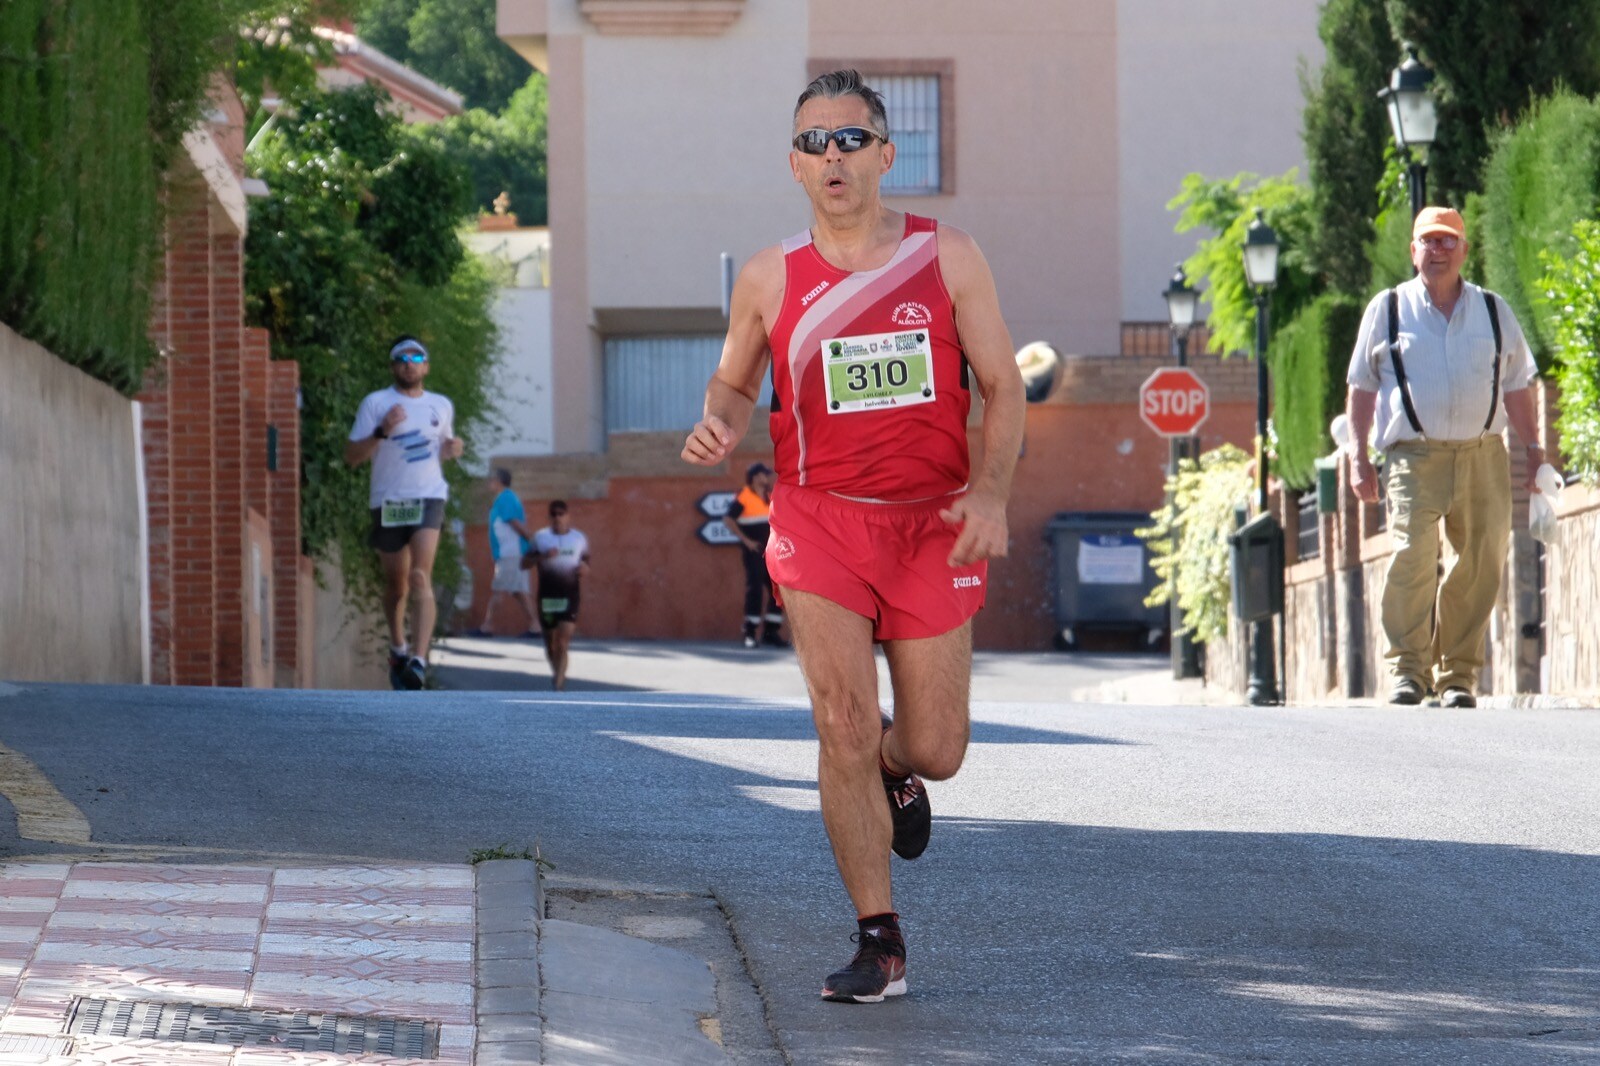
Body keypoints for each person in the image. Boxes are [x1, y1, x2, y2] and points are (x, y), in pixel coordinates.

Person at [681, 69, 1025, 1004]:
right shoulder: (768, 275)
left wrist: (990, 494)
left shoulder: (947, 257)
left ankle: (893, 763)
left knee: (939, 746)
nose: (832, 155)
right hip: (817, 518)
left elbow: (1004, 387)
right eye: (813, 141)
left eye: (850, 138)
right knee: (837, 722)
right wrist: (718, 418)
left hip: (932, 524)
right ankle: (881, 940)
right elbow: (732, 382)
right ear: (794, 166)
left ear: (885, 153)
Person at [1346, 206, 1552, 708]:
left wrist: (1534, 448)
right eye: (1428, 242)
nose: (1437, 250)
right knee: (1412, 557)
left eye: (1447, 241)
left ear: (1464, 250)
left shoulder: (1493, 310)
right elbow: (1361, 386)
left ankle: (1457, 676)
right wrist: (1357, 454)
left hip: (1483, 454)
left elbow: (1518, 384)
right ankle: (1407, 672)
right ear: (1412, 251)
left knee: (1480, 562)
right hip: (1412, 457)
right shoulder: (1389, 308)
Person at [344, 335, 465, 690]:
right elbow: (352, 456)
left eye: (416, 356)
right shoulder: (376, 403)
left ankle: (418, 659)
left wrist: (451, 449)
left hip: (428, 496)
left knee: (418, 577)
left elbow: (443, 447)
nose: (409, 362)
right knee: (396, 584)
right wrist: (382, 431)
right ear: (393, 365)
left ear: (426, 366)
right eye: (401, 357)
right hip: (389, 501)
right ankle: (398, 647)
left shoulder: (440, 405)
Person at [527, 500, 590, 691]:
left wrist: (585, 568)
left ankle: (559, 684)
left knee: (563, 640)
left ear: (568, 516)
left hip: (570, 596)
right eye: (553, 514)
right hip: (547, 597)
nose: (557, 517)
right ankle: (558, 673)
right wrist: (543, 556)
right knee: (550, 643)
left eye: (561, 513)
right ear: (549, 517)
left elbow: (586, 562)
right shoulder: (540, 538)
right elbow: (524, 563)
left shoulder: (579, 538)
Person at [723, 461, 787, 648]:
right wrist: (747, 541)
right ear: (755, 477)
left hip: (772, 552)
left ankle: (771, 632)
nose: (766, 477)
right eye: (763, 474)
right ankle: (749, 634)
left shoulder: (769, 496)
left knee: (779, 591)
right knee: (755, 591)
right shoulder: (744, 496)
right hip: (754, 552)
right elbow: (728, 519)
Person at [473, 469, 540, 639]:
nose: (489, 482)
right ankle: (535, 626)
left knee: (499, 589)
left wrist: (529, 538)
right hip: (509, 553)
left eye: (492, 479)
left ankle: (487, 626)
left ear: (499, 480)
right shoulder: (504, 498)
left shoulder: (506, 498)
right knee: (518, 590)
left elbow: (514, 522)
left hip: (511, 553)